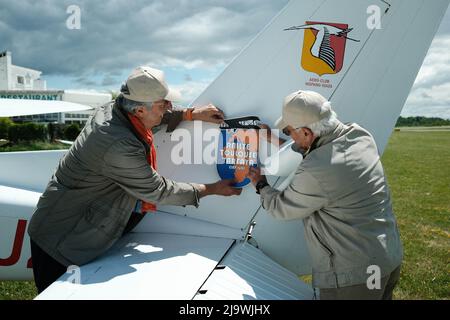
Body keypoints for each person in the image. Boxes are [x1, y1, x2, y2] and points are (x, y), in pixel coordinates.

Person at [28, 66, 242, 293]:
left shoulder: (118, 109)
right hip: (62, 243)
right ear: (139, 110)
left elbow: (153, 117)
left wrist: (190, 114)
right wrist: (211, 188)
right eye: (163, 104)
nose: (168, 108)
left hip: (78, 226)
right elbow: (157, 190)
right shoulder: (117, 144)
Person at [248, 90, 403, 300]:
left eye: (289, 131)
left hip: (356, 276)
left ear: (305, 132)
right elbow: (318, 152)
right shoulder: (359, 135)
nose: (289, 136)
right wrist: (272, 139)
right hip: (387, 258)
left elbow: (281, 209)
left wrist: (260, 184)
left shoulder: (316, 169)